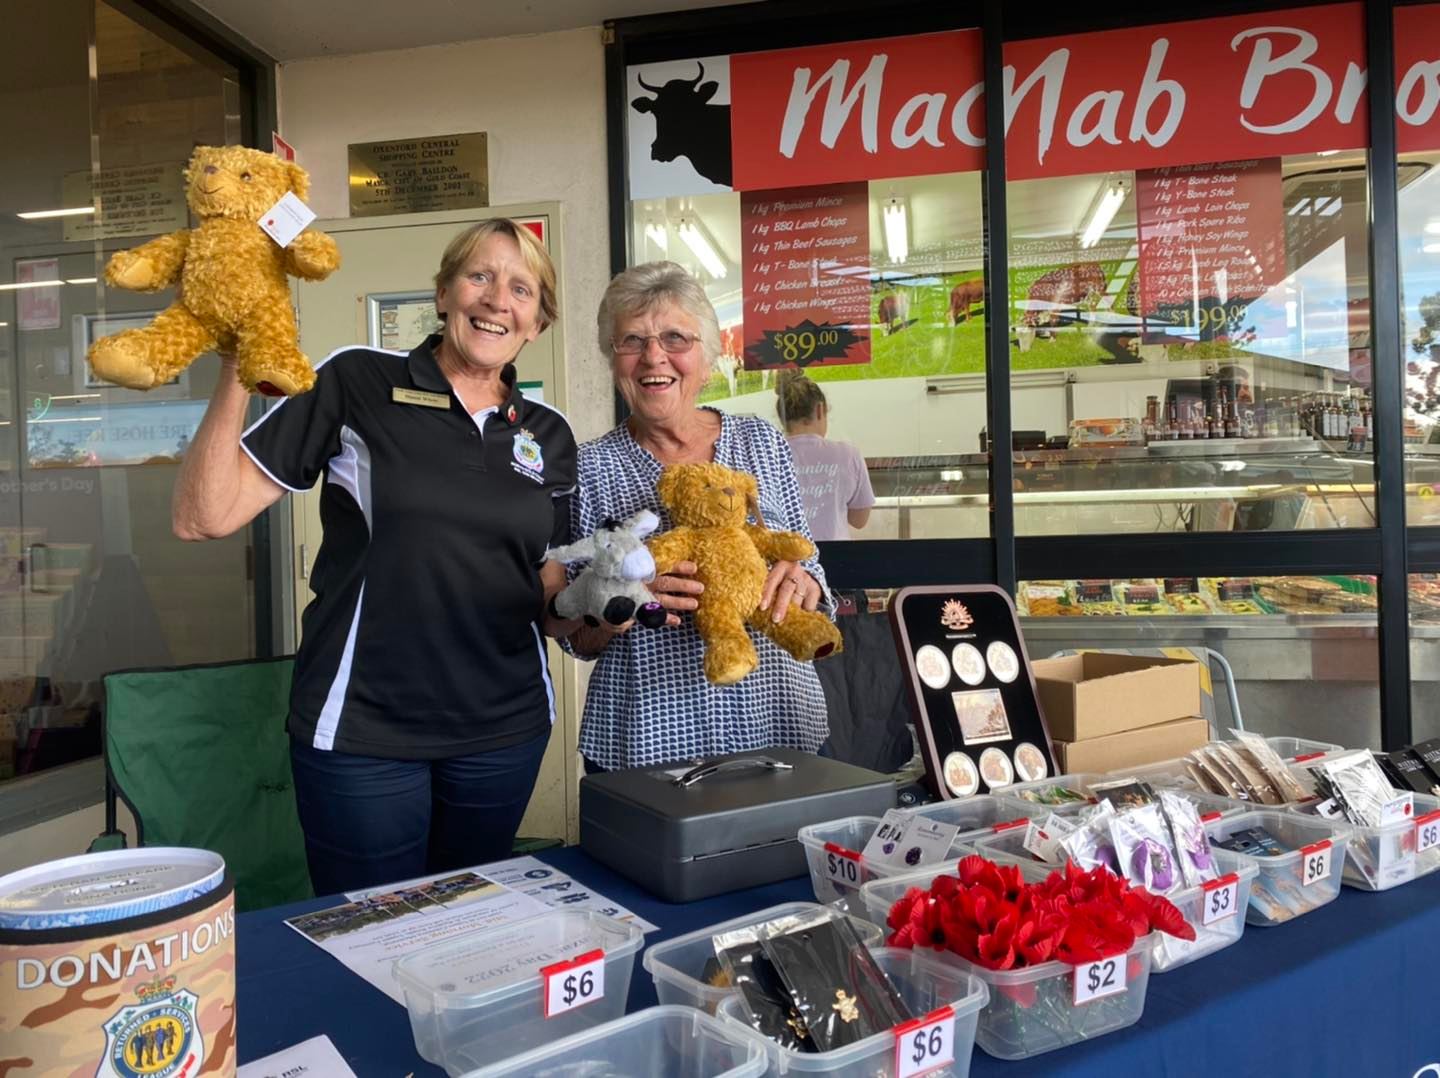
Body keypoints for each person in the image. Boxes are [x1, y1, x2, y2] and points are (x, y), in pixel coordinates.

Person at [172, 218, 576, 894]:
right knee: (369, 937)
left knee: (472, 927)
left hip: (504, 732)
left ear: (537, 323)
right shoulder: (356, 379)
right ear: (444, 293)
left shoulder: (548, 433)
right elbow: (202, 516)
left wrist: (601, 608)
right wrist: (239, 363)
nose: (496, 299)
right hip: (363, 730)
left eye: (521, 289)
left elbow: (542, 579)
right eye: (479, 276)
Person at [560, 261, 832, 772]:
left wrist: (803, 582)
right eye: (632, 341)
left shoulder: (762, 441)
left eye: (675, 338)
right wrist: (624, 600)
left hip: (779, 728)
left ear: (707, 360)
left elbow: (813, 569)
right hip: (646, 742)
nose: (653, 357)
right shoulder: (588, 467)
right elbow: (577, 635)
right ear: (614, 361)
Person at [774, 369, 875, 541]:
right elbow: (859, 520)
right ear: (820, 410)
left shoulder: (767, 456)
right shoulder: (848, 454)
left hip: (783, 563)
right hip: (837, 561)